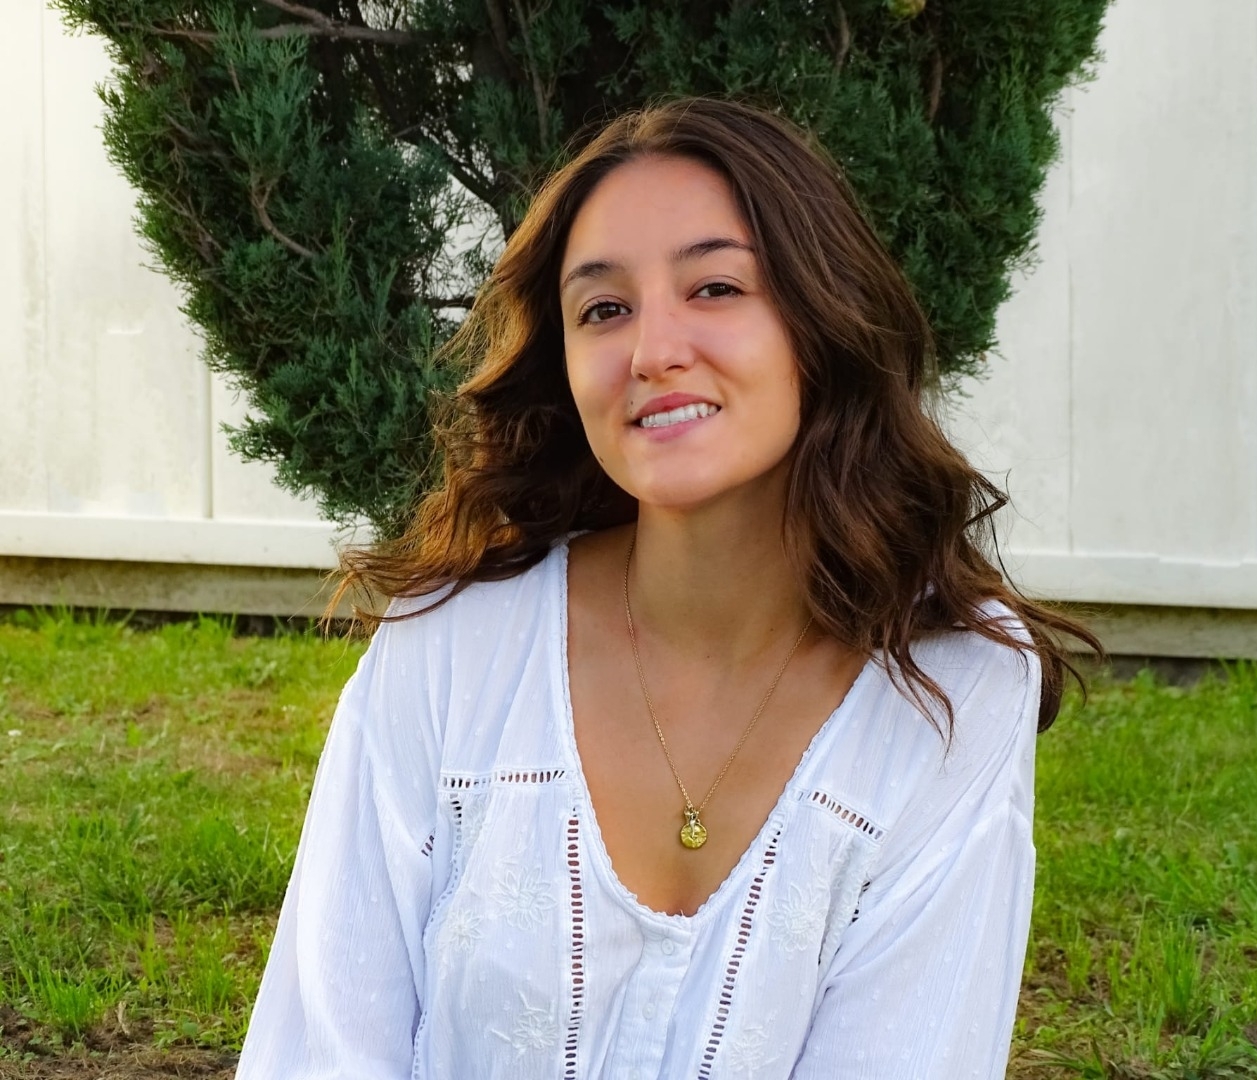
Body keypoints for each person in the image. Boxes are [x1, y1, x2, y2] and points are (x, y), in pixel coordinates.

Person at [235, 96, 1098, 1079]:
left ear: (819, 318)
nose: (652, 353)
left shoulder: (951, 684)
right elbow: (320, 1049)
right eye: (604, 310)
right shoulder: (452, 645)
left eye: (716, 287)